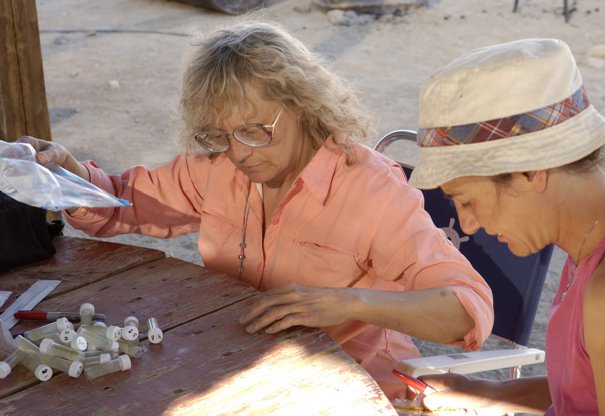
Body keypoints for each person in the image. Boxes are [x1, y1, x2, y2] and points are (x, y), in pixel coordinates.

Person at [18, 21, 493, 399]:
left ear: (303, 106)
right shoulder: (219, 165)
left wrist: (344, 303)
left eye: (254, 130)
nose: (239, 153)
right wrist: (67, 172)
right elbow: (124, 204)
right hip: (244, 369)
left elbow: (468, 310)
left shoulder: (371, 190)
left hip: (353, 385)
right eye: (220, 135)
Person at [408, 38, 605, 415]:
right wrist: (481, 391)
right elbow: (586, 389)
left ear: (529, 172)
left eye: (467, 201)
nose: (467, 223)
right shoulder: (596, 240)